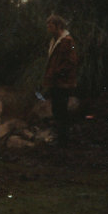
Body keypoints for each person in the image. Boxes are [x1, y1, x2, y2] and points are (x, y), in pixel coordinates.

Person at [43, 13, 79, 147]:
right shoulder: (55, 40)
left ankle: (63, 139)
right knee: (57, 110)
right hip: (56, 82)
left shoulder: (68, 41)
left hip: (62, 83)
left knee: (61, 110)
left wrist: (57, 73)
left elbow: (72, 61)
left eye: (50, 25)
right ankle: (60, 137)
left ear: (58, 26)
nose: (48, 28)